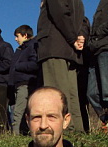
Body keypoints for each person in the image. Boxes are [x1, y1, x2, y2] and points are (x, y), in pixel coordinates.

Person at [37, 0, 86, 132]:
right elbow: (82, 21)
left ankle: (65, 130)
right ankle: (77, 130)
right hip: (70, 51)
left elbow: (60, 13)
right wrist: (80, 37)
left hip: (55, 47)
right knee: (70, 93)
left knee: (56, 93)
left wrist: (73, 38)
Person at [9, 25, 38, 135]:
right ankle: (22, 134)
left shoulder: (32, 46)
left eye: (17, 36)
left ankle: (16, 136)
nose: (16, 39)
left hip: (26, 83)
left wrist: (18, 66)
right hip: (18, 84)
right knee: (19, 111)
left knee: (18, 112)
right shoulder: (20, 50)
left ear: (25, 35)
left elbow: (34, 64)